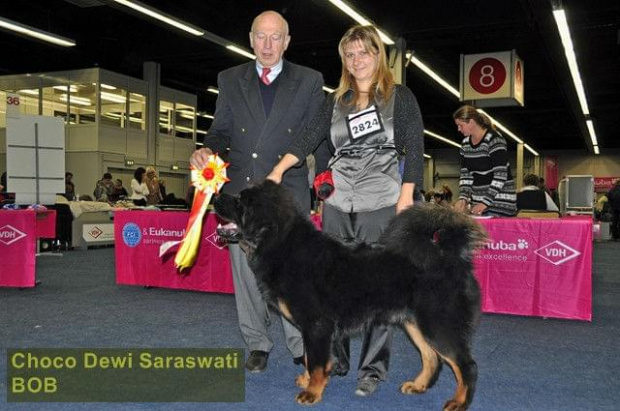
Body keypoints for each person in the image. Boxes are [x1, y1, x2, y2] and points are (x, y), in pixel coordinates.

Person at [266, 24, 424, 396]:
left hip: (381, 201)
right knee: (331, 289)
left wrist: (406, 198)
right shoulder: (334, 101)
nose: (356, 61)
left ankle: (372, 369)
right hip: (337, 203)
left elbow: (414, 148)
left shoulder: (399, 97)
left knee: (381, 292)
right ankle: (334, 358)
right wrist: (277, 169)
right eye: (349, 55)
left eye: (363, 53)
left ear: (377, 55)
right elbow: (307, 137)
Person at [189, 10, 324, 373]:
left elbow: (316, 135)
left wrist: (323, 181)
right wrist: (206, 150)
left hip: (287, 191)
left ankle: (299, 343)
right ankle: (257, 342)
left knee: (293, 273)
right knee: (245, 271)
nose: (267, 45)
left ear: (287, 41)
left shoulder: (310, 81)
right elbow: (221, 131)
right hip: (242, 192)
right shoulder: (229, 79)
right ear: (250, 39)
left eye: (275, 37)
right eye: (261, 37)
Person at [452, 105, 516, 217]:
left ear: (471, 122)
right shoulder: (465, 144)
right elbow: (466, 176)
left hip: (501, 203)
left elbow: (500, 175)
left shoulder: (494, 139)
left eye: (460, 125)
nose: (458, 129)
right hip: (479, 204)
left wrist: (485, 202)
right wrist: (463, 198)